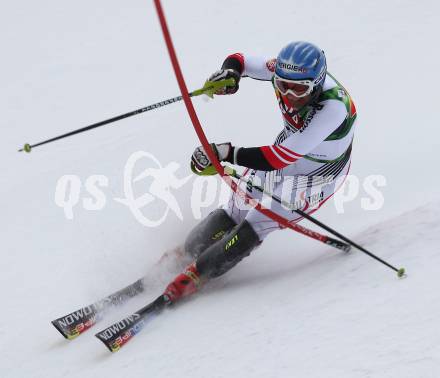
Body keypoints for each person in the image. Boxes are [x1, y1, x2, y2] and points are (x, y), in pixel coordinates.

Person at [163, 41, 357, 303]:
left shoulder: (334, 107)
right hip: (287, 153)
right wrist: (230, 74)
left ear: (317, 83)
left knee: (261, 216)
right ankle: (184, 254)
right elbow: (240, 59)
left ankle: (197, 276)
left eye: (299, 89)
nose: (289, 95)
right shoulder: (284, 71)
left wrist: (225, 153)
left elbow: (280, 158)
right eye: (281, 86)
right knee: (237, 206)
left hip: (317, 177)